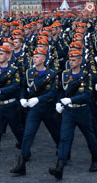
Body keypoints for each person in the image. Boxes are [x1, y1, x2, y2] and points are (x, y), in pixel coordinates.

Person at [49, 49, 97, 180]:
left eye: (73, 60)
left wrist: (71, 99)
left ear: (80, 60)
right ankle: (59, 166)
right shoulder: (64, 74)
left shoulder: (86, 75)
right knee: (64, 137)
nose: (71, 62)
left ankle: (95, 159)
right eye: (70, 60)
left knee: (89, 136)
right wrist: (59, 103)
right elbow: (60, 91)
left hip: (82, 111)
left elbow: (88, 95)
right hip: (69, 111)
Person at [11, 48, 60, 176]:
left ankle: (63, 153)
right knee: (28, 134)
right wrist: (22, 98)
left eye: (37, 57)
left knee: (55, 132)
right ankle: (22, 162)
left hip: (47, 108)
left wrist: (38, 99)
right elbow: (23, 87)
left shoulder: (52, 73)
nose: (34, 59)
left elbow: (53, 93)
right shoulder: (29, 72)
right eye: (34, 57)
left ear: (43, 59)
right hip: (34, 109)